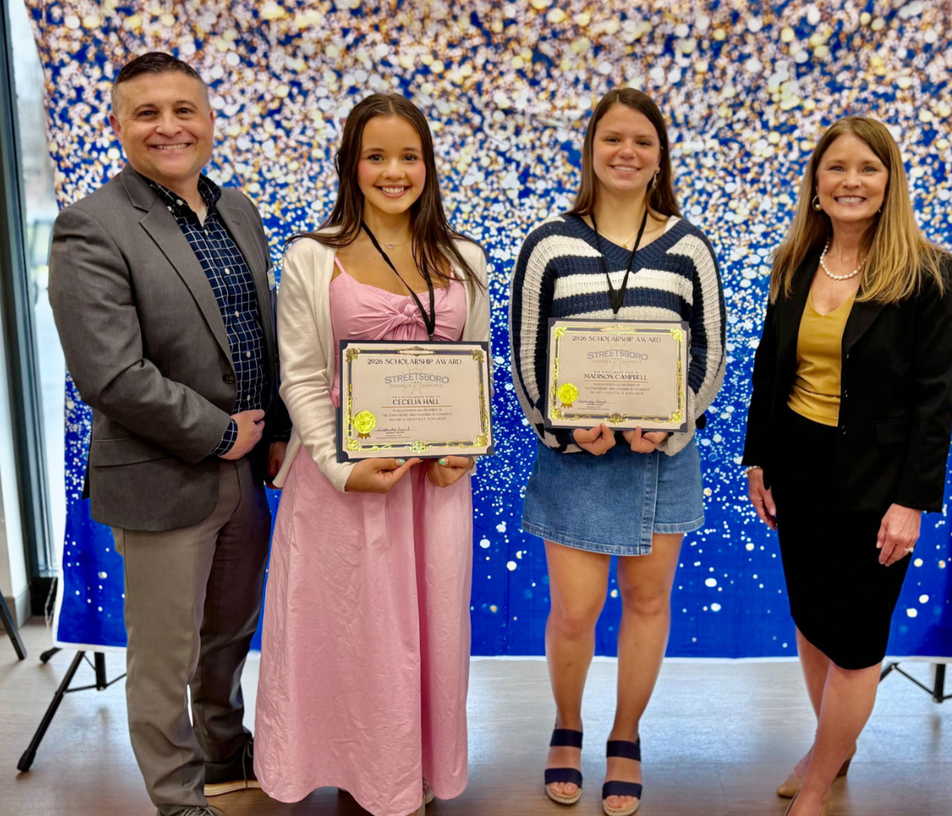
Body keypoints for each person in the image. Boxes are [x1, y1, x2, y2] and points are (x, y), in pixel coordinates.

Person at [48, 52, 290, 816]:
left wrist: (275, 431)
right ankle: (179, 799)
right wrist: (219, 433)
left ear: (209, 120)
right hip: (165, 472)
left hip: (248, 472)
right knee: (164, 658)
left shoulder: (239, 210)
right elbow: (110, 373)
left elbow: (262, 330)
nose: (168, 125)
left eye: (184, 109)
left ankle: (224, 750)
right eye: (147, 112)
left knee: (228, 634)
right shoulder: (91, 225)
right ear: (118, 125)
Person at [254, 93, 489, 816]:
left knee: (431, 635)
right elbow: (297, 373)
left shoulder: (465, 259)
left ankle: (410, 769)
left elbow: (475, 368)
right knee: (354, 634)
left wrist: (465, 454)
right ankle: (360, 774)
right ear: (351, 164)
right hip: (343, 486)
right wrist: (337, 466)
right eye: (377, 155)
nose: (394, 171)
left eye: (409, 156)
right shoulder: (310, 258)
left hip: (435, 490)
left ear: (429, 165)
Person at [509, 87, 725, 816]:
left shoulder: (689, 245)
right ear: (591, 149)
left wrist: (670, 420)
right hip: (575, 458)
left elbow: (711, 354)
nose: (626, 152)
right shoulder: (548, 244)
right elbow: (525, 357)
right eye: (612, 139)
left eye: (642, 140)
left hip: (664, 457)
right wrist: (567, 430)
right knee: (574, 611)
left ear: (660, 154)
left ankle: (625, 734)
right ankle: (567, 725)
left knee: (647, 600)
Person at [743, 116, 952, 816]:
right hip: (797, 468)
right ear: (815, 184)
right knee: (811, 621)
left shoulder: (926, 270)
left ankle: (817, 783)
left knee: (858, 641)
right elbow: (768, 370)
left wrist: (912, 502)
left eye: (867, 168)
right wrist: (757, 459)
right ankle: (829, 748)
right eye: (836, 168)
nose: (851, 181)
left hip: (878, 484)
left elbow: (935, 399)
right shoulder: (794, 262)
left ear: (889, 181)